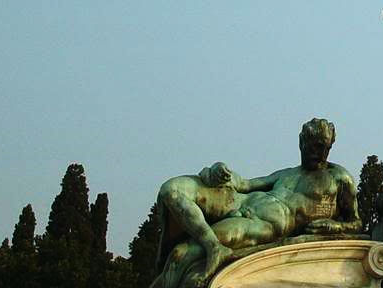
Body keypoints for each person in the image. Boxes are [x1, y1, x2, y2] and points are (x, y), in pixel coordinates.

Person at [151, 118, 360, 288]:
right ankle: (214, 246)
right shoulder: (288, 173)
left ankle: (212, 248)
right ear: (300, 142)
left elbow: (356, 223)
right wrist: (218, 170)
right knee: (172, 190)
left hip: (260, 223)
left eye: (321, 146)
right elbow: (244, 184)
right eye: (310, 145)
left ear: (330, 146)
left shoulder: (340, 178)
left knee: (181, 255)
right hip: (241, 201)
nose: (316, 152)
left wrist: (336, 225)